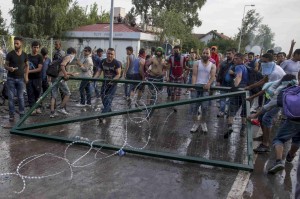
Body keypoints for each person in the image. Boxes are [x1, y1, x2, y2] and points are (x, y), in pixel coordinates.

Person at [248, 73, 299, 174]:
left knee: (279, 139)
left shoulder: (289, 90)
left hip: (292, 120)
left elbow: (270, 105)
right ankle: (290, 155)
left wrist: (254, 115)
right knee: (297, 139)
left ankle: (279, 161)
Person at [245, 53, 286, 152]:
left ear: (269, 60)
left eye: (263, 61)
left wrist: (252, 97)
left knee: (267, 118)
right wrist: (251, 87)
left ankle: (265, 144)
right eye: (261, 61)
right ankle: (264, 137)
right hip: (272, 95)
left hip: (279, 98)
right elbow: (265, 80)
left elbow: (266, 89)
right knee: (260, 117)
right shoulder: (271, 68)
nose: (262, 63)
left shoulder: (275, 72)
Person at [190, 48, 216, 133]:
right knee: (194, 107)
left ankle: (203, 122)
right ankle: (195, 123)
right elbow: (194, 75)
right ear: (201, 54)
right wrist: (193, 86)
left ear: (210, 55)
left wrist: (208, 83)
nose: (205, 54)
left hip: (205, 88)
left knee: (205, 107)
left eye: (207, 53)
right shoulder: (196, 63)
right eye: (204, 53)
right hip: (197, 86)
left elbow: (212, 76)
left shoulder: (212, 65)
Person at [224, 53, 249, 138]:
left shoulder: (238, 67)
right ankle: (243, 129)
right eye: (234, 58)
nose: (235, 60)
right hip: (245, 90)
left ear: (242, 59)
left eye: (237, 59)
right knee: (244, 111)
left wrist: (234, 88)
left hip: (238, 90)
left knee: (232, 108)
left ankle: (230, 127)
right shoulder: (245, 67)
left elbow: (239, 77)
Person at [4, 36, 29, 122]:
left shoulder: (25, 54)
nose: (15, 44)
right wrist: (9, 68)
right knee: (11, 97)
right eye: (14, 43)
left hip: (21, 79)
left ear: (21, 44)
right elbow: (5, 65)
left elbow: (27, 65)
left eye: (17, 43)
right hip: (11, 78)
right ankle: (11, 115)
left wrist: (26, 76)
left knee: (20, 97)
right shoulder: (10, 54)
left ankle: (22, 113)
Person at [94, 48, 121, 122]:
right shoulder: (102, 62)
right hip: (105, 82)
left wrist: (113, 80)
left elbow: (118, 74)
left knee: (108, 99)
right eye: (108, 53)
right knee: (103, 98)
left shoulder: (116, 63)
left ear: (114, 55)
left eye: (111, 54)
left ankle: (102, 116)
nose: (110, 55)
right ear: (106, 54)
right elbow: (99, 71)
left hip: (113, 84)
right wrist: (94, 78)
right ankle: (109, 112)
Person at [49, 47, 76, 118]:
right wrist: (66, 75)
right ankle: (61, 108)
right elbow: (62, 65)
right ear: (73, 53)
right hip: (59, 78)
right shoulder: (69, 57)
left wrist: (70, 73)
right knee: (68, 93)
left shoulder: (63, 57)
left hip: (54, 77)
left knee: (54, 95)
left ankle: (52, 112)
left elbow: (60, 69)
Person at [216, 49, 235, 117]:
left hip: (232, 84)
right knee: (222, 98)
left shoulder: (236, 63)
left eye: (229, 53)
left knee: (231, 100)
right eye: (227, 54)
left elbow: (239, 74)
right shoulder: (223, 63)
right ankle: (222, 111)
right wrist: (218, 81)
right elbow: (220, 73)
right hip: (223, 83)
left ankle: (229, 112)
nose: (228, 55)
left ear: (233, 54)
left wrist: (233, 73)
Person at [168, 45, 187, 110]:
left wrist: (186, 71)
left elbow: (185, 67)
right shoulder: (171, 58)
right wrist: (167, 76)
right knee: (172, 92)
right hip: (173, 77)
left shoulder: (183, 58)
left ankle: (176, 105)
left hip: (180, 77)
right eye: (175, 49)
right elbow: (169, 67)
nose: (176, 51)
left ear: (180, 50)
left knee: (179, 92)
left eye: (177, 50)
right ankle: (172, 103)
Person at [27, 41, 43, 114]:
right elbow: (25, 67)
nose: (36, 49)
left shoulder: (39, 57)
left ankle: (38, 107)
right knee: (30, 93)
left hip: (37, 78)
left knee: (37, 93)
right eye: (34, 47)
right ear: (31, 47)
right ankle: (32, 108)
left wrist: (29, 71)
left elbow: (39, 69)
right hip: (29, 78)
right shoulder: (27, 56)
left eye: (37, 47)